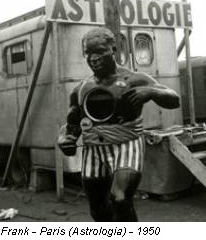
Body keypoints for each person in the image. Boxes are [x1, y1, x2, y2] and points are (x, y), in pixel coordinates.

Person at [57, 27, 180, 222]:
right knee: (97, 208)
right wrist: (66, 139)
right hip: (94, 149)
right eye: (89, 54)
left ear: (113, 49)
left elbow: (174, 99)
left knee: (119, 198)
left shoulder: (134, 79)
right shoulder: (81, 89)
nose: (94, 58)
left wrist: (151, 92)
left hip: (126, 144)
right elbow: (72, 125)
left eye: (99, 52)